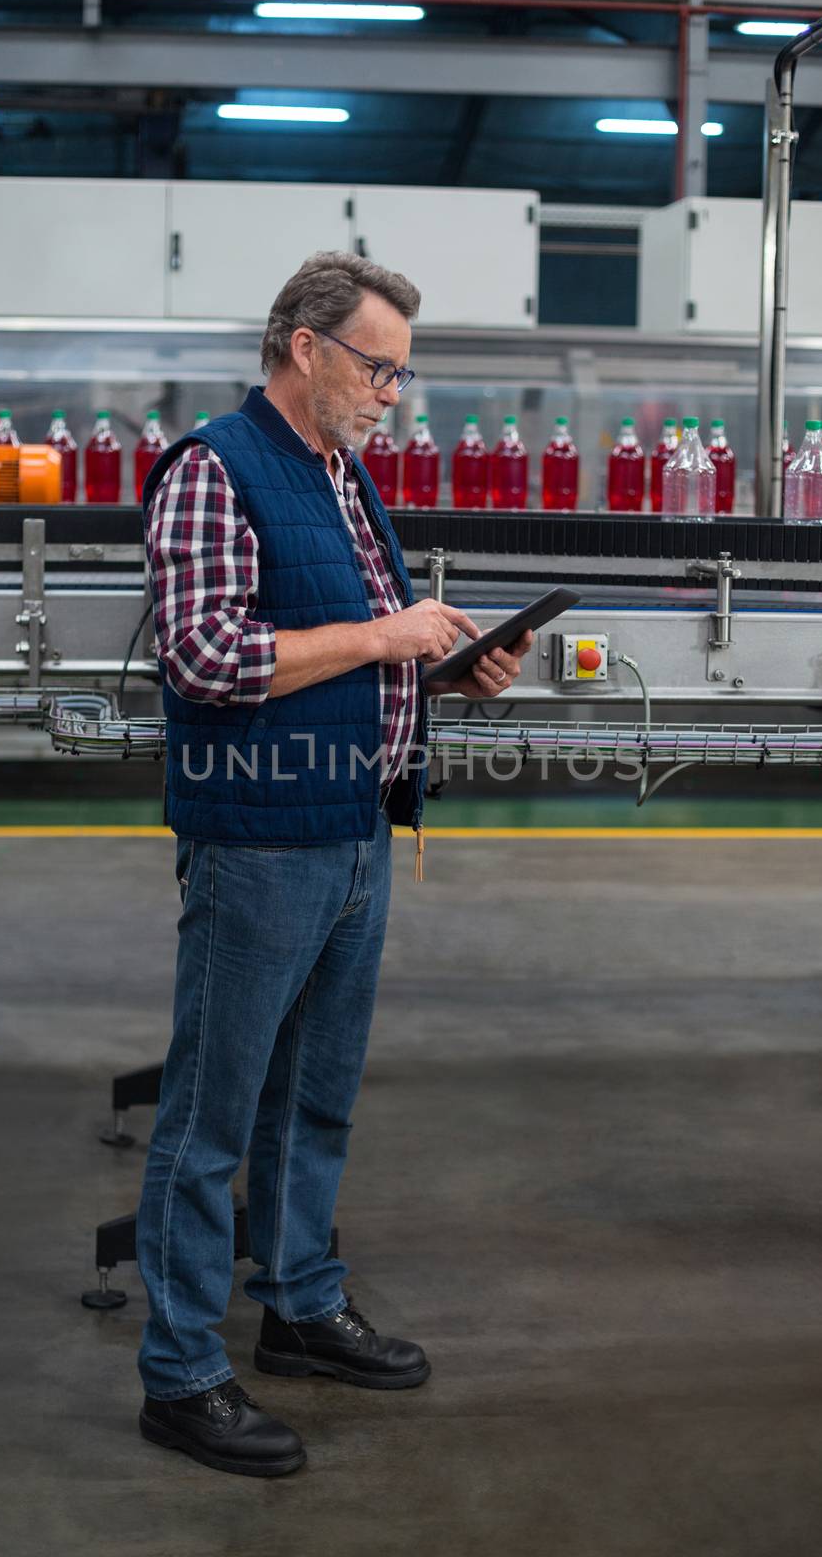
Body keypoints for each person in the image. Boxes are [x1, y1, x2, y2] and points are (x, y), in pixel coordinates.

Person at [135, 251, 532, 1477]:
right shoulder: (214, 467)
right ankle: (182, 1373)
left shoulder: (341, 475)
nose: (392, 395)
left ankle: (299, 1306)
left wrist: (441, 665)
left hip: (353, 829)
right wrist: (386, 633)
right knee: (210, 1120)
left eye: (401, 373)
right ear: (304, 348)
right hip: (259, 841)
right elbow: (205, 656)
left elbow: (346, 648)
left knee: (312, 1099)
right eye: (378, 366)